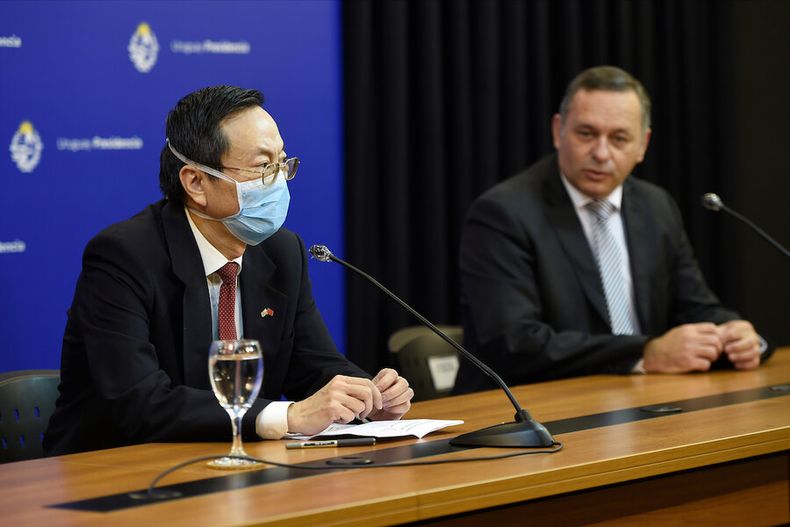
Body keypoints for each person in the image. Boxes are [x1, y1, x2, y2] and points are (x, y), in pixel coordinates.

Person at [44, 86, 413, 455]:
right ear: (196, 182)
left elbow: (314, 366)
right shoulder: (124, 256)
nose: (279, 180)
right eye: (263, 166)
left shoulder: (283, 252)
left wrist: (369, 396)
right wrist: (288, 417)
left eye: (282, 163)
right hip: (112, 474)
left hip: (233, 468)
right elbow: (140, 401)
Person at [454, 66, 768, 394]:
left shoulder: (655, 206)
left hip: (644, 399)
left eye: (619, 138)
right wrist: (646, 353)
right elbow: (515, 343)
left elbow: (694, 307)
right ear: (558, 131)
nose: (602, 153)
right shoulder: (503, 213)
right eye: (586, 134)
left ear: (643, 144)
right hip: (534, 410)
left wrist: (736, 335)